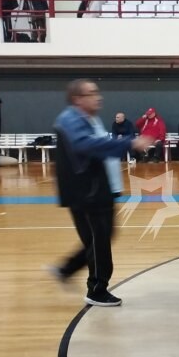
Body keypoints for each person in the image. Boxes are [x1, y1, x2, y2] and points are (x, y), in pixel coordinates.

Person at [47, 80, 154, 307]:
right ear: (77, 99)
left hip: (97, 190)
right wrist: (130, 143)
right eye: (92, 93)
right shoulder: (70, 120)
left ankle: (67, 270)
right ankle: (96, 290)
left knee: (99, 239)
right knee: (99, 240)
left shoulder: (87, 118)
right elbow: (86, 146)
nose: (98, 97)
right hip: (87, 193)